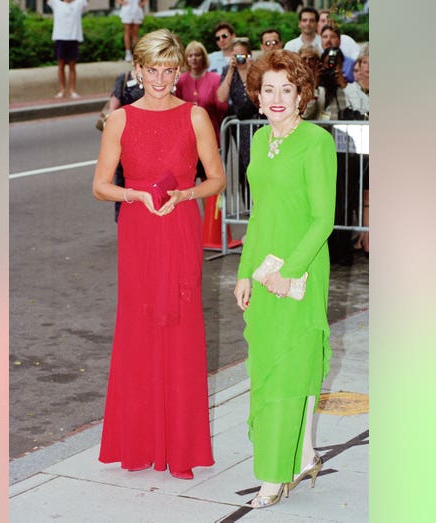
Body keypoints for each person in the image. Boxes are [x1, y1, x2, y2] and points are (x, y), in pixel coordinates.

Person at [93, 29, 226, 480]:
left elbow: (217, 179)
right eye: (153, 69)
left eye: (169, 70)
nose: (161, 78)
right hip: (138, 229)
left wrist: (186, 194)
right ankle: (140, 442)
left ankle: (180, 446)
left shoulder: (195, 117)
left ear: (179, 72)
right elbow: (100, 185)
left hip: (180, 226)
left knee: (181, 326)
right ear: (139, 69)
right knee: (138, 325)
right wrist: (134, 196)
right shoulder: (121, 120)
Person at [233, 50, 336, 508]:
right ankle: (305, 453)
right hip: (263, 268)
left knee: (291, 365)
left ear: (302, 97)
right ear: (257, 96)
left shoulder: (316, 142)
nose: (276, 98)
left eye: (286, 90)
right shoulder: (258, 141)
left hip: (302, 269)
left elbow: (323, 220)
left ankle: (275, 475)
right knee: (268, 365)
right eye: (268, 89)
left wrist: (288, 272)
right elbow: (259, 216)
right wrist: (243, 273)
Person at [176, 41, 228, 182]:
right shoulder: (181, 80)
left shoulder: (215, 79)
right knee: (186, 182)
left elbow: (222, 108)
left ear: (203, 57)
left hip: (210, 136)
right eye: (190, 55)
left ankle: (210, 206)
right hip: (186, 140)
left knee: (209, 181)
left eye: (197, 55)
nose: (193, 58)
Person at [217, 38, 259, 206]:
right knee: (244, 166)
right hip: (240, 125)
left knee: (259, 165)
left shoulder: (256, 71)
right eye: (235, 55)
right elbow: (221, 97)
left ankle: (262, 203)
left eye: (241, 54)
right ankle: (249, 206)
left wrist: (250, 71)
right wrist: (230, 71)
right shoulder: (228, 71)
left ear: (248, 54)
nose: (238, 58)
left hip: (258, 122)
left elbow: (258, 96)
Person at [107, 69, 145, 222]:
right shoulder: (123, 79)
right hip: (126, 141)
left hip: (147, 141)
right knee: (123, 182)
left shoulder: (154, 77)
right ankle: (124, 219)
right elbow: (112, 110)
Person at [343, 45, 369, 253]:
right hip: (354, 152)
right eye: (365, 63)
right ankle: (359, 233)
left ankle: (367, 235)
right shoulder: (349, 91)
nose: (369, 68)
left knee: (370, 195)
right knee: (355, 194)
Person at [48, 0, 87, 98]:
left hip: (73, 38)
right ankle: (62, 90)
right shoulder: (56, 3)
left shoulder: (79, 3)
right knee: (60, 66)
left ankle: (72, 90)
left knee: (72, 66)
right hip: (60, 38)